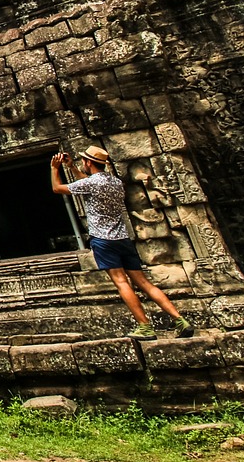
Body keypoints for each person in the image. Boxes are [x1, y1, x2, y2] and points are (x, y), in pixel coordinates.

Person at [50, 145, 194, 340]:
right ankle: (179, 319)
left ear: (89, 162)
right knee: (143, 282)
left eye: (84, 160)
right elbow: (88, 183)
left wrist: (55, 168)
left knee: (121, 282)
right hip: (122, 238)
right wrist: (72, 167)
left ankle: (144, 326)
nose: (83, 163)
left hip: (103, 239)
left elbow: (57, 188)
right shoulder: (115, 182)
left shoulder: (92, 183)